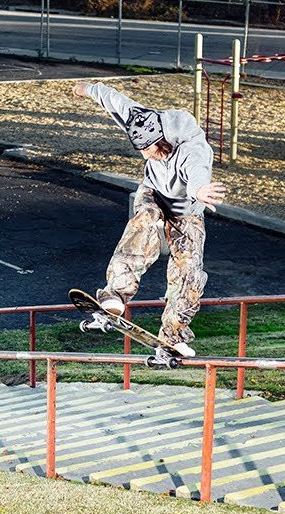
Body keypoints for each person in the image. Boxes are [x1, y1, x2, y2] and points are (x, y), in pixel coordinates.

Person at [71, 81, 227, 363]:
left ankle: (173, 335)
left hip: (188, 210)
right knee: (144, 223)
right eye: (140, 149)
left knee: (190, 273)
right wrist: (87, 88)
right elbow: (113, 99)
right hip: (152, 194)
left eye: (149, 150)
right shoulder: (141, 118)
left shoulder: (193, 149)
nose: (145, 155)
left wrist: (200, 190)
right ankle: (115, 295)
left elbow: (198, 171)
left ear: (163, 140)